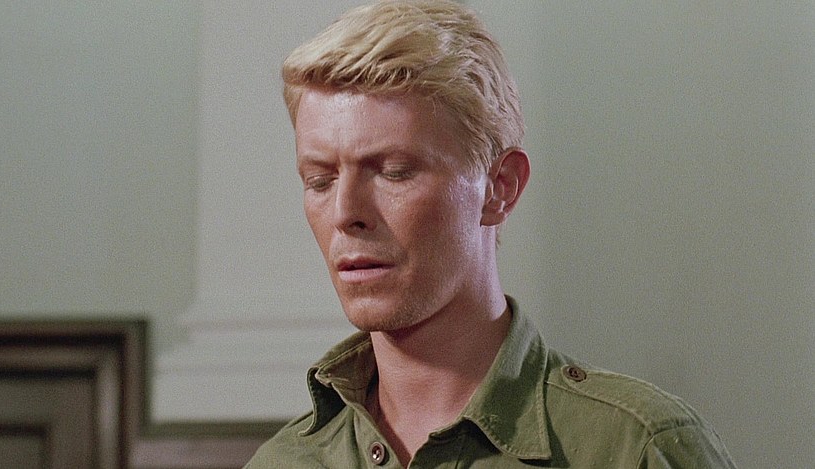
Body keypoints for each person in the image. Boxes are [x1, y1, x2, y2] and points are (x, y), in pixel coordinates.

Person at [245, 1, 737, 467]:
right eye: (320, 180)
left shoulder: (634, 448)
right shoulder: (283, 463)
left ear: (500, 187)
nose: (345, 213)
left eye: (394, 172)